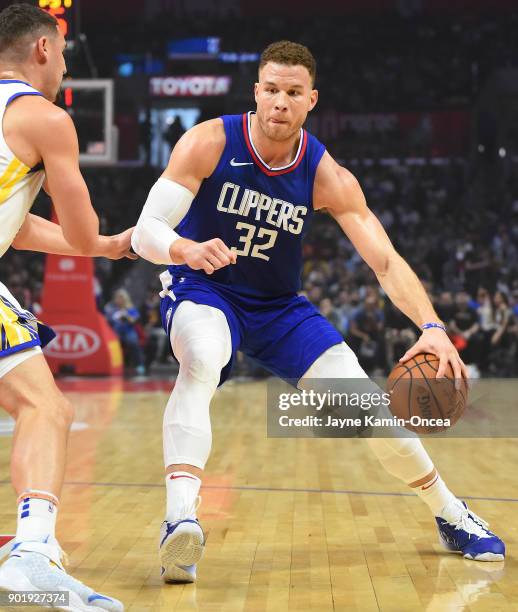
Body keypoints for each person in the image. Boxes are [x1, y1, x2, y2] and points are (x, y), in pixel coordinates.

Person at [131, 40, 505, 582]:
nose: (280, 102)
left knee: (365, 408)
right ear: (256, 92)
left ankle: (450, 513)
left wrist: (433, 327)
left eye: (293, 93)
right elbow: (146, 231)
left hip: (280, 307)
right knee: (202, 359)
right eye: (272, 90)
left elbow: (384, 259)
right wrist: (186, 249)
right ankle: (179, 522)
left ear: (311, 100)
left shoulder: (327, 173)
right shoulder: (209, 141)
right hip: (206, 287)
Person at [0, 5, 135, 609]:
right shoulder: (45, 119)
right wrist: (104, 241)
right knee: (45, 408)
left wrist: (100, 249)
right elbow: (77, 233)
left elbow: (14, 223)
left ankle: (32, 549)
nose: (64, 63)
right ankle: (31, 554)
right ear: (42, 51)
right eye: (64, 51)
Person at [105, 288, 145, 376]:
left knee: (133, 342)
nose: (120, 300)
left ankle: (139, 365)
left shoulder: (130, 308)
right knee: (111, 344)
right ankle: (112, 366)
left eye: (122, 298)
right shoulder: (111, 308)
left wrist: (127, 316)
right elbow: (107, 319)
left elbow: (135, 320)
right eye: (118, 298)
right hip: (115, 332)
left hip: (128, 331)